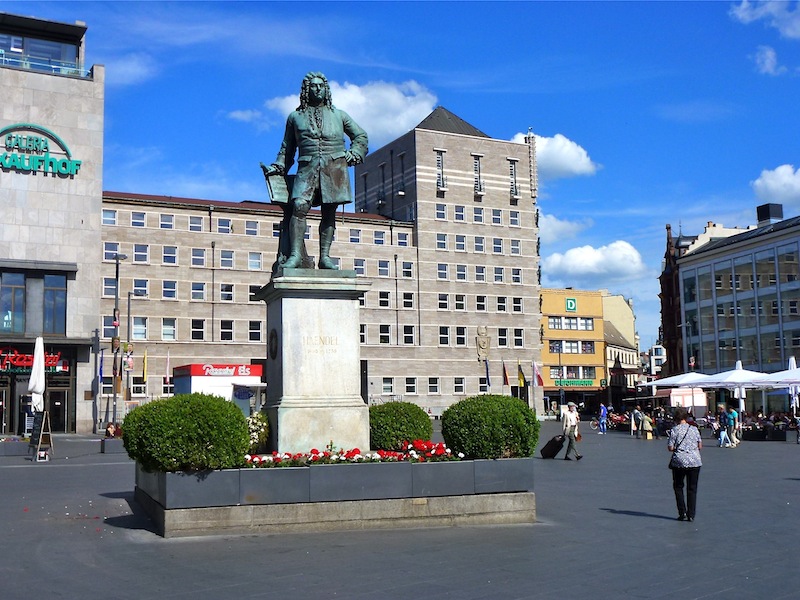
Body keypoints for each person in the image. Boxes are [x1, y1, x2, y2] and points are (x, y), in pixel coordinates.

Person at [261, 72, 368, 270]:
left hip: (334, 169)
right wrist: (278, 166)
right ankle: (295, 255)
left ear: (326, 90)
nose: (317, 89)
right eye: (313, 86)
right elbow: (287, 148)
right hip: (307, 168)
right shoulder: (295, 117)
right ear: (306, 90)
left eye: (321, 86)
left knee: (329, 212)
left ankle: (325, 257)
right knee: (299, 207)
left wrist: (354, 153)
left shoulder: (339, 115)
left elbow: (360, 136)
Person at [667, 408, 702, 522]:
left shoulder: (674, 430)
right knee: (692, 488)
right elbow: (700, 446)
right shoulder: (694, 429)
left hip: (679, 461)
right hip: (695, 461)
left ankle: (682, 512)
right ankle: (691, 514)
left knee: (678, 486)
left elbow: (670, 447)